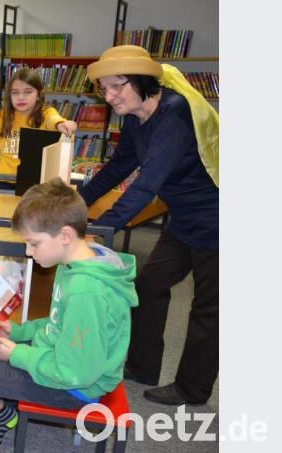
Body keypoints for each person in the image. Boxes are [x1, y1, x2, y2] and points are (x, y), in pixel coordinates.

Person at [0, 178, 137, 452]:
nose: (28, 252)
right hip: (59, 361)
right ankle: (2, 416)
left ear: (65, 235)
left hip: (75, 389)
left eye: (34, 243)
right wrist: (18, 332)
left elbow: (76, 373)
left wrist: (15, 354)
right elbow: (58, 324)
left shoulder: (86, 292)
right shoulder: (76, 262)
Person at [79, 45, 219, 406]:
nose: (109, 96)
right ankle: (143, 367)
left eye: (117, 86)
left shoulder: (174, 114)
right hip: (185, 219)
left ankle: (192, 388)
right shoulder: (134, 116)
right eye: (104, 89)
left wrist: (98, 230)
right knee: (148, 286)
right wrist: (78, 202)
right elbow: (118, 167)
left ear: (142, 81)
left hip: (219, 221)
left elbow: (146, 185)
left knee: (208, 309)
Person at [0, 68, 78, 189]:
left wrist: (61, 124)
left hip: (37, 185)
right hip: (5, 182)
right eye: (15, 92)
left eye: (28, 92)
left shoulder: (46, 113)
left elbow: (54, 119)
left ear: (39, 95)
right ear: (9, 95)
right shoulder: (0, 117)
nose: (20, 97)